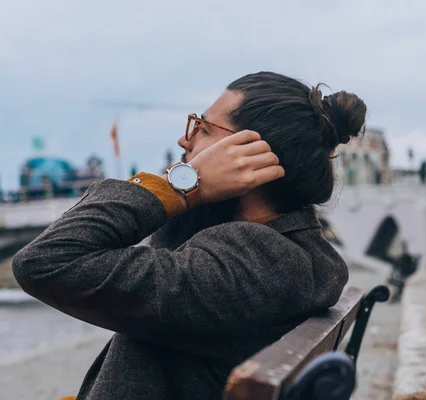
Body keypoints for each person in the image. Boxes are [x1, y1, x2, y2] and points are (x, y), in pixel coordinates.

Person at [12, 71, 367, 400]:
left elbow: (45, 260)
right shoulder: (282, 255)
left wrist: (182, 184)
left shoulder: (252, 261)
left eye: (203, 127)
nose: (185, 139)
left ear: (248, 154)